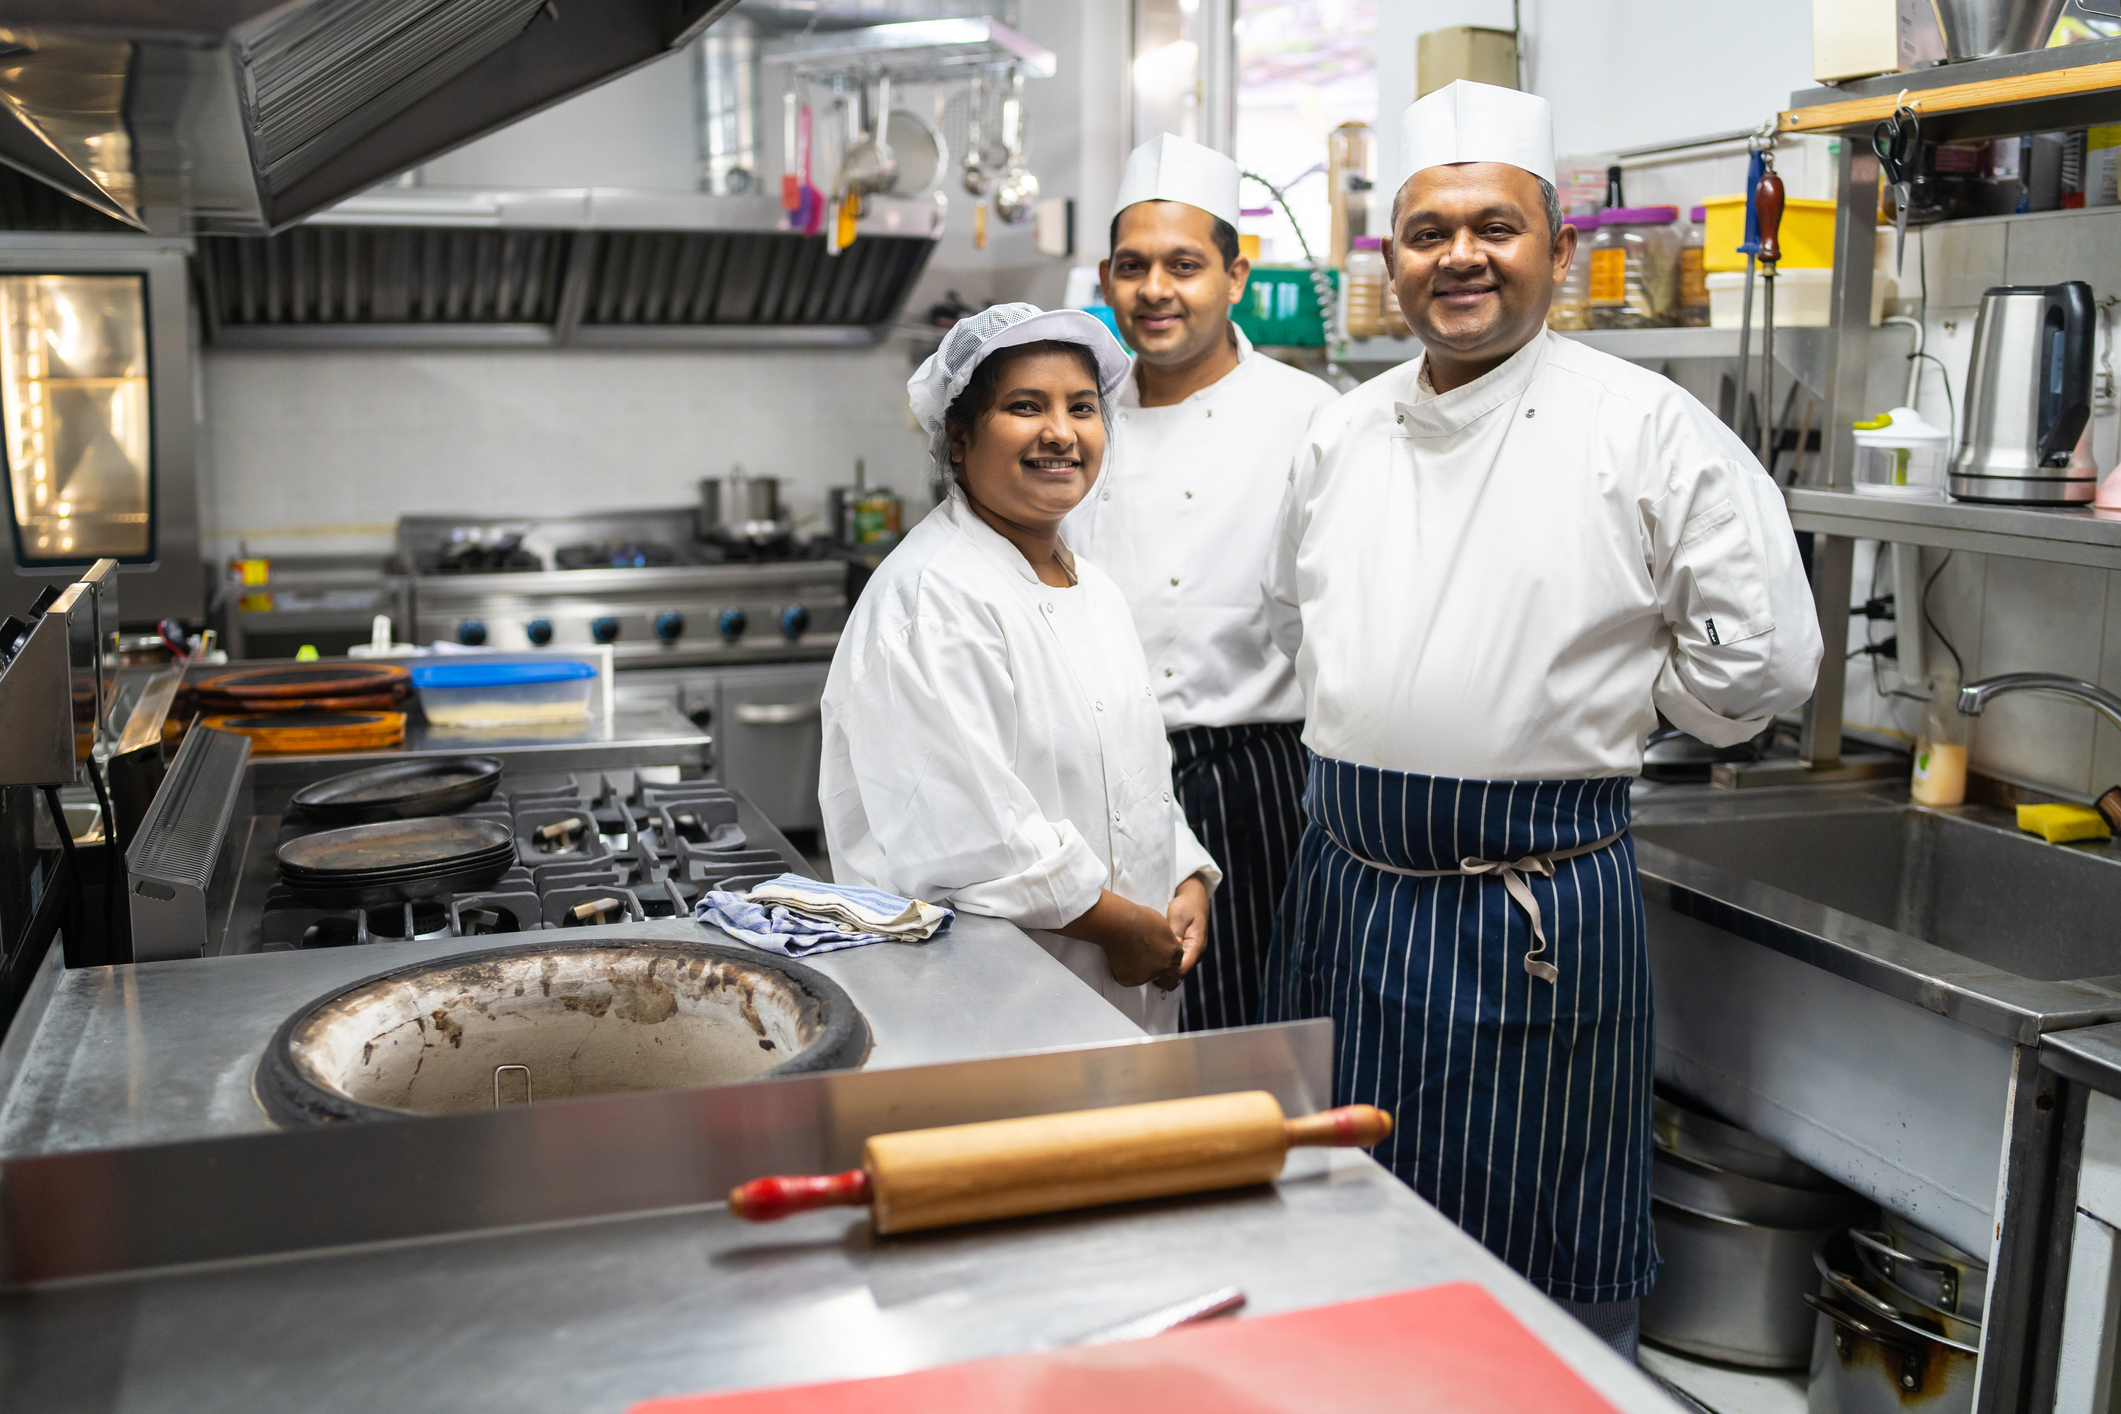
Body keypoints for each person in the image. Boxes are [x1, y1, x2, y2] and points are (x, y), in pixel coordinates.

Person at [1260, 81, 1822, 1358]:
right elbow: (1291, 623)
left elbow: (1766, 665)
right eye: (1428, 230)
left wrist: (1628, 698)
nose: (1460, 255)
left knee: (1532, 1261)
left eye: (1496, 226)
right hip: (1341, 892)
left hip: (1527, 911)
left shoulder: (1647, 429)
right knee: (1339, 1232)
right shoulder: (1340, 433)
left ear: (1558, 250)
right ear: (1390, 255)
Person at [819, 302, 1223, 1035]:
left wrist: (1184, 873)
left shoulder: (1089, 586)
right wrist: (1123, 928)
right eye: (1024, 407)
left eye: (1081, 408)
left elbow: (1127, 770)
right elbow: (968, 839)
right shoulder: (934, 596)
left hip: (1116, 991)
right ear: (958, 435)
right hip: (997, 1001)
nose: (1061, 433)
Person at [1063, 133, 1337, 1033]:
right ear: (1105, 278)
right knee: (1102, 1027)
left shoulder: (1312, 418)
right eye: (1133, 266)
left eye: (1183, 265)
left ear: (1235, 277)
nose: (1155, 290)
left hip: (1249, 778)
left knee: (1239, 1033)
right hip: (1093, 770)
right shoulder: (1078, 420)